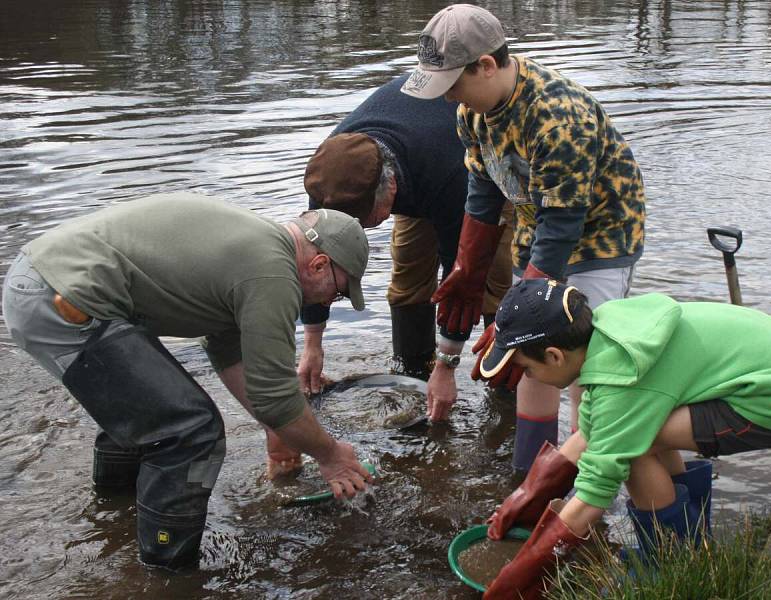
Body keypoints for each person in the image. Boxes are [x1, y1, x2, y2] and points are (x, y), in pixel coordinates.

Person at [1, 193, 373, 570]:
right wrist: (330, 455)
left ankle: (112, 516)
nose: (329, 303)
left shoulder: (259, 247)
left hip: (44, 279)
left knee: (150, 414)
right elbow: (275, 395)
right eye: (339, 291)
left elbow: (230, 349)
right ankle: (168, 572)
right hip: (60, 299)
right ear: (319, 264)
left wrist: (276, 430)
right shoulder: (273, 273)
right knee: (191, 430)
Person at [402, 3, 646, 475]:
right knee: (532, 361)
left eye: (453, 84)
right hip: (537, 227)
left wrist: (521, 313)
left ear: (487, 65)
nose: (449, 97)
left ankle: (582, 488)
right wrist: (466, 270)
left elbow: (565, 225)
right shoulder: (473, 115)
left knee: (582, 365)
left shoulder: (557, 117)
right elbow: (482, 192)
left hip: (600, 238)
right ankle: (527, 476)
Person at [472, 279, 771, 598]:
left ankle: (670, 561)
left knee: (630, 446)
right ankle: (693, 543)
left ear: (555, 356)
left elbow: (593, 497)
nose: (527, 376)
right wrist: (527, 497)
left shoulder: (620, 377)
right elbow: (592, 430)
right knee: (628, 430)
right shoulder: (606, 331)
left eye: (527, 368)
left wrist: (523, 573)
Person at [300, 73, 513, 421]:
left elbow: (461, 277)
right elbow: (313, 265)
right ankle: (412, 373)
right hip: (415, 168)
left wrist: (446, 367)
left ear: (391, 188)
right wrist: (313, 345)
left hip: (473, 175)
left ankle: (505, 395)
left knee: (489, 286)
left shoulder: (449, 177)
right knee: (408, 280)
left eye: (366, 220)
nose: (361, 230)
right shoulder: (330, 177)